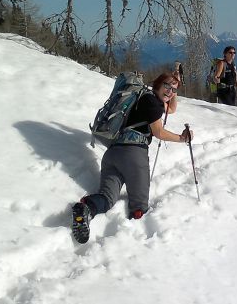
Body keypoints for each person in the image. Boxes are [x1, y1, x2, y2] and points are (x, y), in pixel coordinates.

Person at [71, 72, 192, 243]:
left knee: (107, 198)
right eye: (167, 86)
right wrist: (182, 138)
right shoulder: (152, 103)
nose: (170, 91)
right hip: (134, 155)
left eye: (173, 89)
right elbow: (158, 132)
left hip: (112, 154)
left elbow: (171, 109)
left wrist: (175, 84)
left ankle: (86, 208)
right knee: (139, 206)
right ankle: (134, 247)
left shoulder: (143, 98)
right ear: (157, 83)